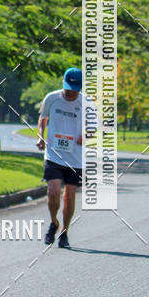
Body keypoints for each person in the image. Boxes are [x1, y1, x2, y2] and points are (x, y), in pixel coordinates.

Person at [36, 67, 94, 249]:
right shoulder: (51, 98)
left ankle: (64, 232)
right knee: (53, 192)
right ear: (63, 84)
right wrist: (40, 135)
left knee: (69, 196)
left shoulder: (87, 103)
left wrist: (86, 135)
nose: (70, 94)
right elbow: (42, 118)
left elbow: (93, 127)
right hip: (54, 154)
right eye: (68, 90)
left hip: (75, 158)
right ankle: (54, 222)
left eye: (74, 91)